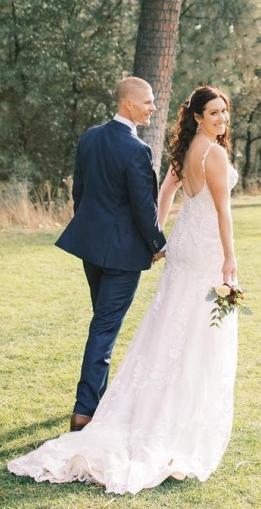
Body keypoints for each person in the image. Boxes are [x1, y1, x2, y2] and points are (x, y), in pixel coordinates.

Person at [8, 84, 241, 495]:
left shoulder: (136, 144)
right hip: (176, 250)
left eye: (225, 112)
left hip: (133, 245)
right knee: (126, 326)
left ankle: (117, 404)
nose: (222, 119)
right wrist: (208, 256)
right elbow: (200, 209)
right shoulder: (189, 152)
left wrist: (157, 237)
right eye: (215, 113)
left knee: (163, 323)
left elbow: (139, 194)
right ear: (199, 117)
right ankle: (91, 413)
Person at [52, 76, 167, 432]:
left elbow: (79, 192)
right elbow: (143, 208)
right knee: (104, 327)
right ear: (128, 104)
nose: (152, 107)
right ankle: (84, 410)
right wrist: (157, 244)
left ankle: (94, 400)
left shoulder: (89, 137)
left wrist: (91, 230)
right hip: (121, 255)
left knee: (101, 322)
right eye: (147, 102)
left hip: (90, 247)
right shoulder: (136, 150)